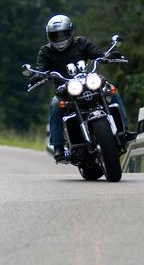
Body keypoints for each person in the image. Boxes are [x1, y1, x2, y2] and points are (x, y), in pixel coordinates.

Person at [29, 15, 135, 162]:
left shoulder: (81, 43)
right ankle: (58, 146)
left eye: (62, 35)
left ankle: (125, 130)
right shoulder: (46, 51)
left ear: (70, 32)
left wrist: (107, 56)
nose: (59, 39)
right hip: (65, 89)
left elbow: (97, 54)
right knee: (55, 105)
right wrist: (38, 75)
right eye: (55, 36)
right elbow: (41, 68)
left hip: (87, 83)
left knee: (111, 89)